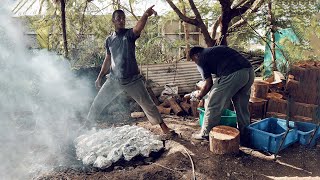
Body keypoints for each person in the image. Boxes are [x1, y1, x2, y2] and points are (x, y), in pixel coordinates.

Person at [87, 6, 175, 137]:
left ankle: (165, 128)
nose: (121, 21)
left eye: (123, 18)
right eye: (118, 18)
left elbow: (138, 28)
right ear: (113, 21)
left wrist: (145, 15)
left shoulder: (129, 35)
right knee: (98, 102)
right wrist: (100, 77)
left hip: (133, 80)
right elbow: (108, 58)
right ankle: (87, 125)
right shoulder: (109, 40)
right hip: (114, 80)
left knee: (148, 104)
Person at [189, 45, 254, 143]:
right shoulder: (213, 52)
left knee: (213, 104)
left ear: (196, 55)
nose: (195, 63)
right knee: (241, 106)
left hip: (233, 74)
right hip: (249, 72)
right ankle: (245, 135)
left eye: (193, 60)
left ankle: (205, 134)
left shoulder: (201, 58)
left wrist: (200, 95)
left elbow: (208, 84)